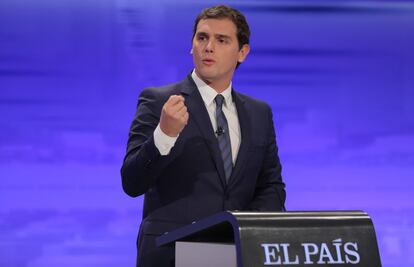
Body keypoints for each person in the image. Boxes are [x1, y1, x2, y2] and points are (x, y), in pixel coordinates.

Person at [121, 4, 286, 267]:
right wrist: (164, 134)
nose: (208, 47)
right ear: (192, 46)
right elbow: (131, 181)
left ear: (242, 52)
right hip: (173, 253)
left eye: (222, 40)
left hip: (235, 254)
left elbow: (271, 186)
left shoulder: (259, 113)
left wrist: (247, 232)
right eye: (202, 37)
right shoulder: (157, 101)